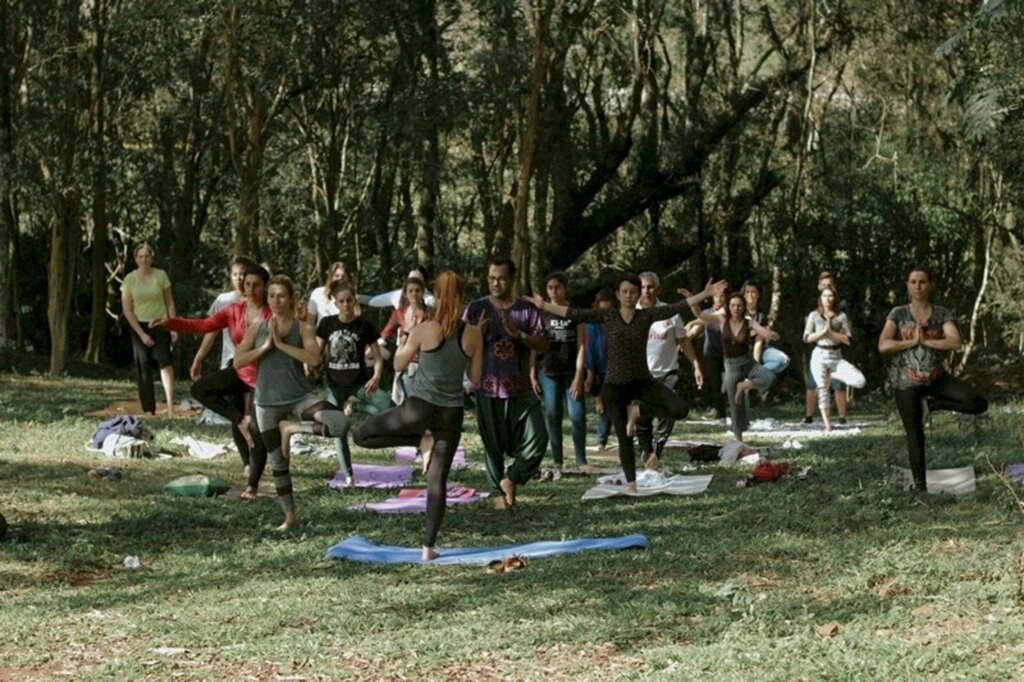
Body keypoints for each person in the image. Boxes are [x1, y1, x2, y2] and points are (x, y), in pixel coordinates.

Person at [531, 275, 726, 492]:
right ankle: (632, 484)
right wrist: (543, 305)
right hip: (614, 387)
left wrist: (705, 294)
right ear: (617, 294)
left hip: (642, 382)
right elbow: (575, 313)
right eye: (624, 292)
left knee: (679, 409)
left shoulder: (646, 315)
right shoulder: (608, 315)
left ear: (638, 294)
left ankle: (638, 409)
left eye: (633, 292)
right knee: (625, 439)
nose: (628, 296)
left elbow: (676, 307)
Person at [354, 271, 483, 561]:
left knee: (360, 435)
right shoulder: (473, 333)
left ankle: (419, 440)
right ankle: (428, 549)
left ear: (435, 296)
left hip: (419, 408)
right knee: (437, 482)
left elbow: (398, 364)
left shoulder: (425, 328)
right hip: (451, 414)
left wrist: (407, 337)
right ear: (462, 297)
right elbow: (474, 378)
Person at [234, 275, 350, 530]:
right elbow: (238, 362)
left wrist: (280, 345)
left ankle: (292, 428)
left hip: (299, 397)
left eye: (281, 295)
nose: (276, 300)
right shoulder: (257, 327)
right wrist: (265, 347)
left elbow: (314, 358)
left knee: (339, 423)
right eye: (272, 295)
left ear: (291, 299)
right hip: (266, 403)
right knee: (278, 463)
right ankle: (289, 518)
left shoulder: (303, 328)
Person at [153, 265, 272, 499]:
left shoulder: (272, 313)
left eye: (256, 285)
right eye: (247, 284)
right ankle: (239, 420)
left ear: (265, 286)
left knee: (258, 434)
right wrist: (171, 323)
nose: (251, 289)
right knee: (199, 388)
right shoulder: (233, 311)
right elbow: (203, 325)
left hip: (265, 380)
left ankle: (252, 487)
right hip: (240, 371)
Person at [878, 266, 987, 492]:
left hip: (936, 378)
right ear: (908, 286)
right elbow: (884, 345)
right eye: (913, 282)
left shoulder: (941, 313)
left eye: (923, 282)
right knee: (915, 432)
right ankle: (920, 487)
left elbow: (955, 342)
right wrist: (911, 342)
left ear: (930, 285)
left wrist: (926, 341)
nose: (918, 286)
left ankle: (932, 404)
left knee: (977, 402)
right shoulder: (897, 314)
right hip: (905, 382)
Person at [464, 257, 550, 509]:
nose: (495, 283)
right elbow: (461, 346)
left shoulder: (526, 309)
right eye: (491, 278)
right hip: (486, 387)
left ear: (511, 279)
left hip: (521, 388)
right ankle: (498, 496)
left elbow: (544, 343)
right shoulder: (476, 309)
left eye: (501, 278)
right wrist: (477, 334)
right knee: (492, 447)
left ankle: (512, 479)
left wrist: (519, 334)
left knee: (538, 439)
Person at [315, 281, 383, 485]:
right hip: (335, 385)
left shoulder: (365, 325)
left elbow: (378, 358)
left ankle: (355, 406)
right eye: (341, 301)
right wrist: (306, 365)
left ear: (355, 300)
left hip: (360, 382)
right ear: (335, 303)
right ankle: (348, 475)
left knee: (386, 407)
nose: (346, 304)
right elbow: (316, 353)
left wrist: (376, 377)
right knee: (339, 430)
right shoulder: (327, 324)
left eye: (349, 300)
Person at [635, 271, 704, 470]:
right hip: (641, 375)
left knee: (668, 411)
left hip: (667, 373)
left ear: (658, 289)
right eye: (643, 287)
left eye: (650, 287)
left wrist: (696, 366)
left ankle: (657, 451)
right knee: (642, 416)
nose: (646, 291)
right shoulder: (631, 312)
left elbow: (683, 340)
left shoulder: (670, 312)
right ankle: (646, 451)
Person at [697, 293, 780, 442]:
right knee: (736, 407)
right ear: (728, 307)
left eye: (739, 305)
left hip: (747, 362)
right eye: (733, 305)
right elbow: (701, 315)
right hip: (731, 366)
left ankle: (744, 386)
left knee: (770, 378)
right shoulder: (722, 320)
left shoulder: (748, 322)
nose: (736, 308)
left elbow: (763, 332)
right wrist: (692, 300)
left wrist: (771, 334)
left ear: (744, 307)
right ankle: (739, 441)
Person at [530, 271, 588, 478]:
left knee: (577, 415)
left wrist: (580, 375)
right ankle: (558, 463)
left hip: (571, 373)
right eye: (550, 288)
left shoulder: (574, 312)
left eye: (558, 287)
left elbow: (582, 345)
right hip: (548, 372)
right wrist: (532, 373)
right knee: (553, 415)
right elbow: (534, 345)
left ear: (565, 288)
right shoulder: (541, 313)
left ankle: (581, 461)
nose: (554, 292)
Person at [121, 243, 177, 417]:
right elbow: (127, 310)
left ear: (151, 258)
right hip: (139, 325)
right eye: (140, 256)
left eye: (147, 256)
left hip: (160, 322)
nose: (144, 259)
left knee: (165, 362)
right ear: (136, 259)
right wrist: (142, 334)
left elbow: (169, 302)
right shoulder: (129, 279)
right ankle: (148, 409)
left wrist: (173, 325)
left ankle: (170, 407)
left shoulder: (161, 276)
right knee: (143, 366)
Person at [803, 285, 866, 431]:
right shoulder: (814, 315)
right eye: (825, 296)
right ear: (820, 298)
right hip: (819, 354)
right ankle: (827, 424)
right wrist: (823, 331)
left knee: (860, 381)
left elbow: (848, 339)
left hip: (836, 355)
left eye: (830, 296)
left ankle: (831, 374)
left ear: (835, 298)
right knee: (822, 389)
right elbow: (806, 337)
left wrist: (831, 332)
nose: (827, 299)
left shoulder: (841, 316)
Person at [189, 256, 256, 380]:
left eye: (242, 274)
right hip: (231, 359)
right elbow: (211, 332)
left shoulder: (260, 301)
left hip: (254, 360)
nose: (238, 278)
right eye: (234, 274)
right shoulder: (223, 300)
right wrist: (198, 359)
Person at [804, 271, 849, 423]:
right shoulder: (812, 305)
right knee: (814, 384)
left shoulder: (842, 307)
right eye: (823, 286)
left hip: (836, 349)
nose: (826, 288)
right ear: (818, 287)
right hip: (817, 348)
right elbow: (808, 330)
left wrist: (834, 333)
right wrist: (822, 332)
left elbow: (847, 330)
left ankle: (842, 417)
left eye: (830, 286)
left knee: (838, 385)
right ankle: (809, 416)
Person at [379, 276, 431, 403]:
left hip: (427, 363)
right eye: (411, 291)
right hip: (407, 362)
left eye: (417, 290)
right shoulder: (399, 314)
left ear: (423, 292)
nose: (414, 294)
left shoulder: (431, 314)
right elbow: (385, 335)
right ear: (406, 294)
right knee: (408, 403)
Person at [584, 288, 615, 452]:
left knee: (618, 404)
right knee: (602, 406)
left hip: (617, 369)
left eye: (609, 310)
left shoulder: (618, 323)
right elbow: (590, 352)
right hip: (598, 370)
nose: (605, 314)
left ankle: (629, 435)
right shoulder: (592, 326)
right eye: (603, 310)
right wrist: (590, 375)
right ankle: (601, 441)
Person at [742, 280, 790, 376]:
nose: (750, 295)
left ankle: (757, 375)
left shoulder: (761, 315)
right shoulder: (739, 312)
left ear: (758, 295)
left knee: (784, 360)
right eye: (747, 292)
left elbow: (759, 340)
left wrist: (756, 364)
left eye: (753, 292)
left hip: (759, 350)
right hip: (741, 352)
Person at [306, 261, 354, 327]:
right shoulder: (318, 293)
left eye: (343, 276)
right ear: (330, 277)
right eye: (337, 276)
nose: (340, 279)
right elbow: (310, 321)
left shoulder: (351, 297)